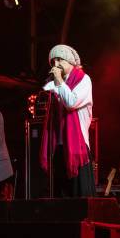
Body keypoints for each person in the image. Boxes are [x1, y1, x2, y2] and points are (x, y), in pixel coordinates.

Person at [40, 44, 96, 197]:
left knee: (80, 195)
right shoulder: (54, 84)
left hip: (77, 148)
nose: (56, 64)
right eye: (53, 61)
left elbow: (71, 102)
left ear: (71, 62)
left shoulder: (84, 80)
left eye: (60, 60)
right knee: (61, 194)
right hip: (58, 146)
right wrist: (55, 83)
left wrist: (58, 81)